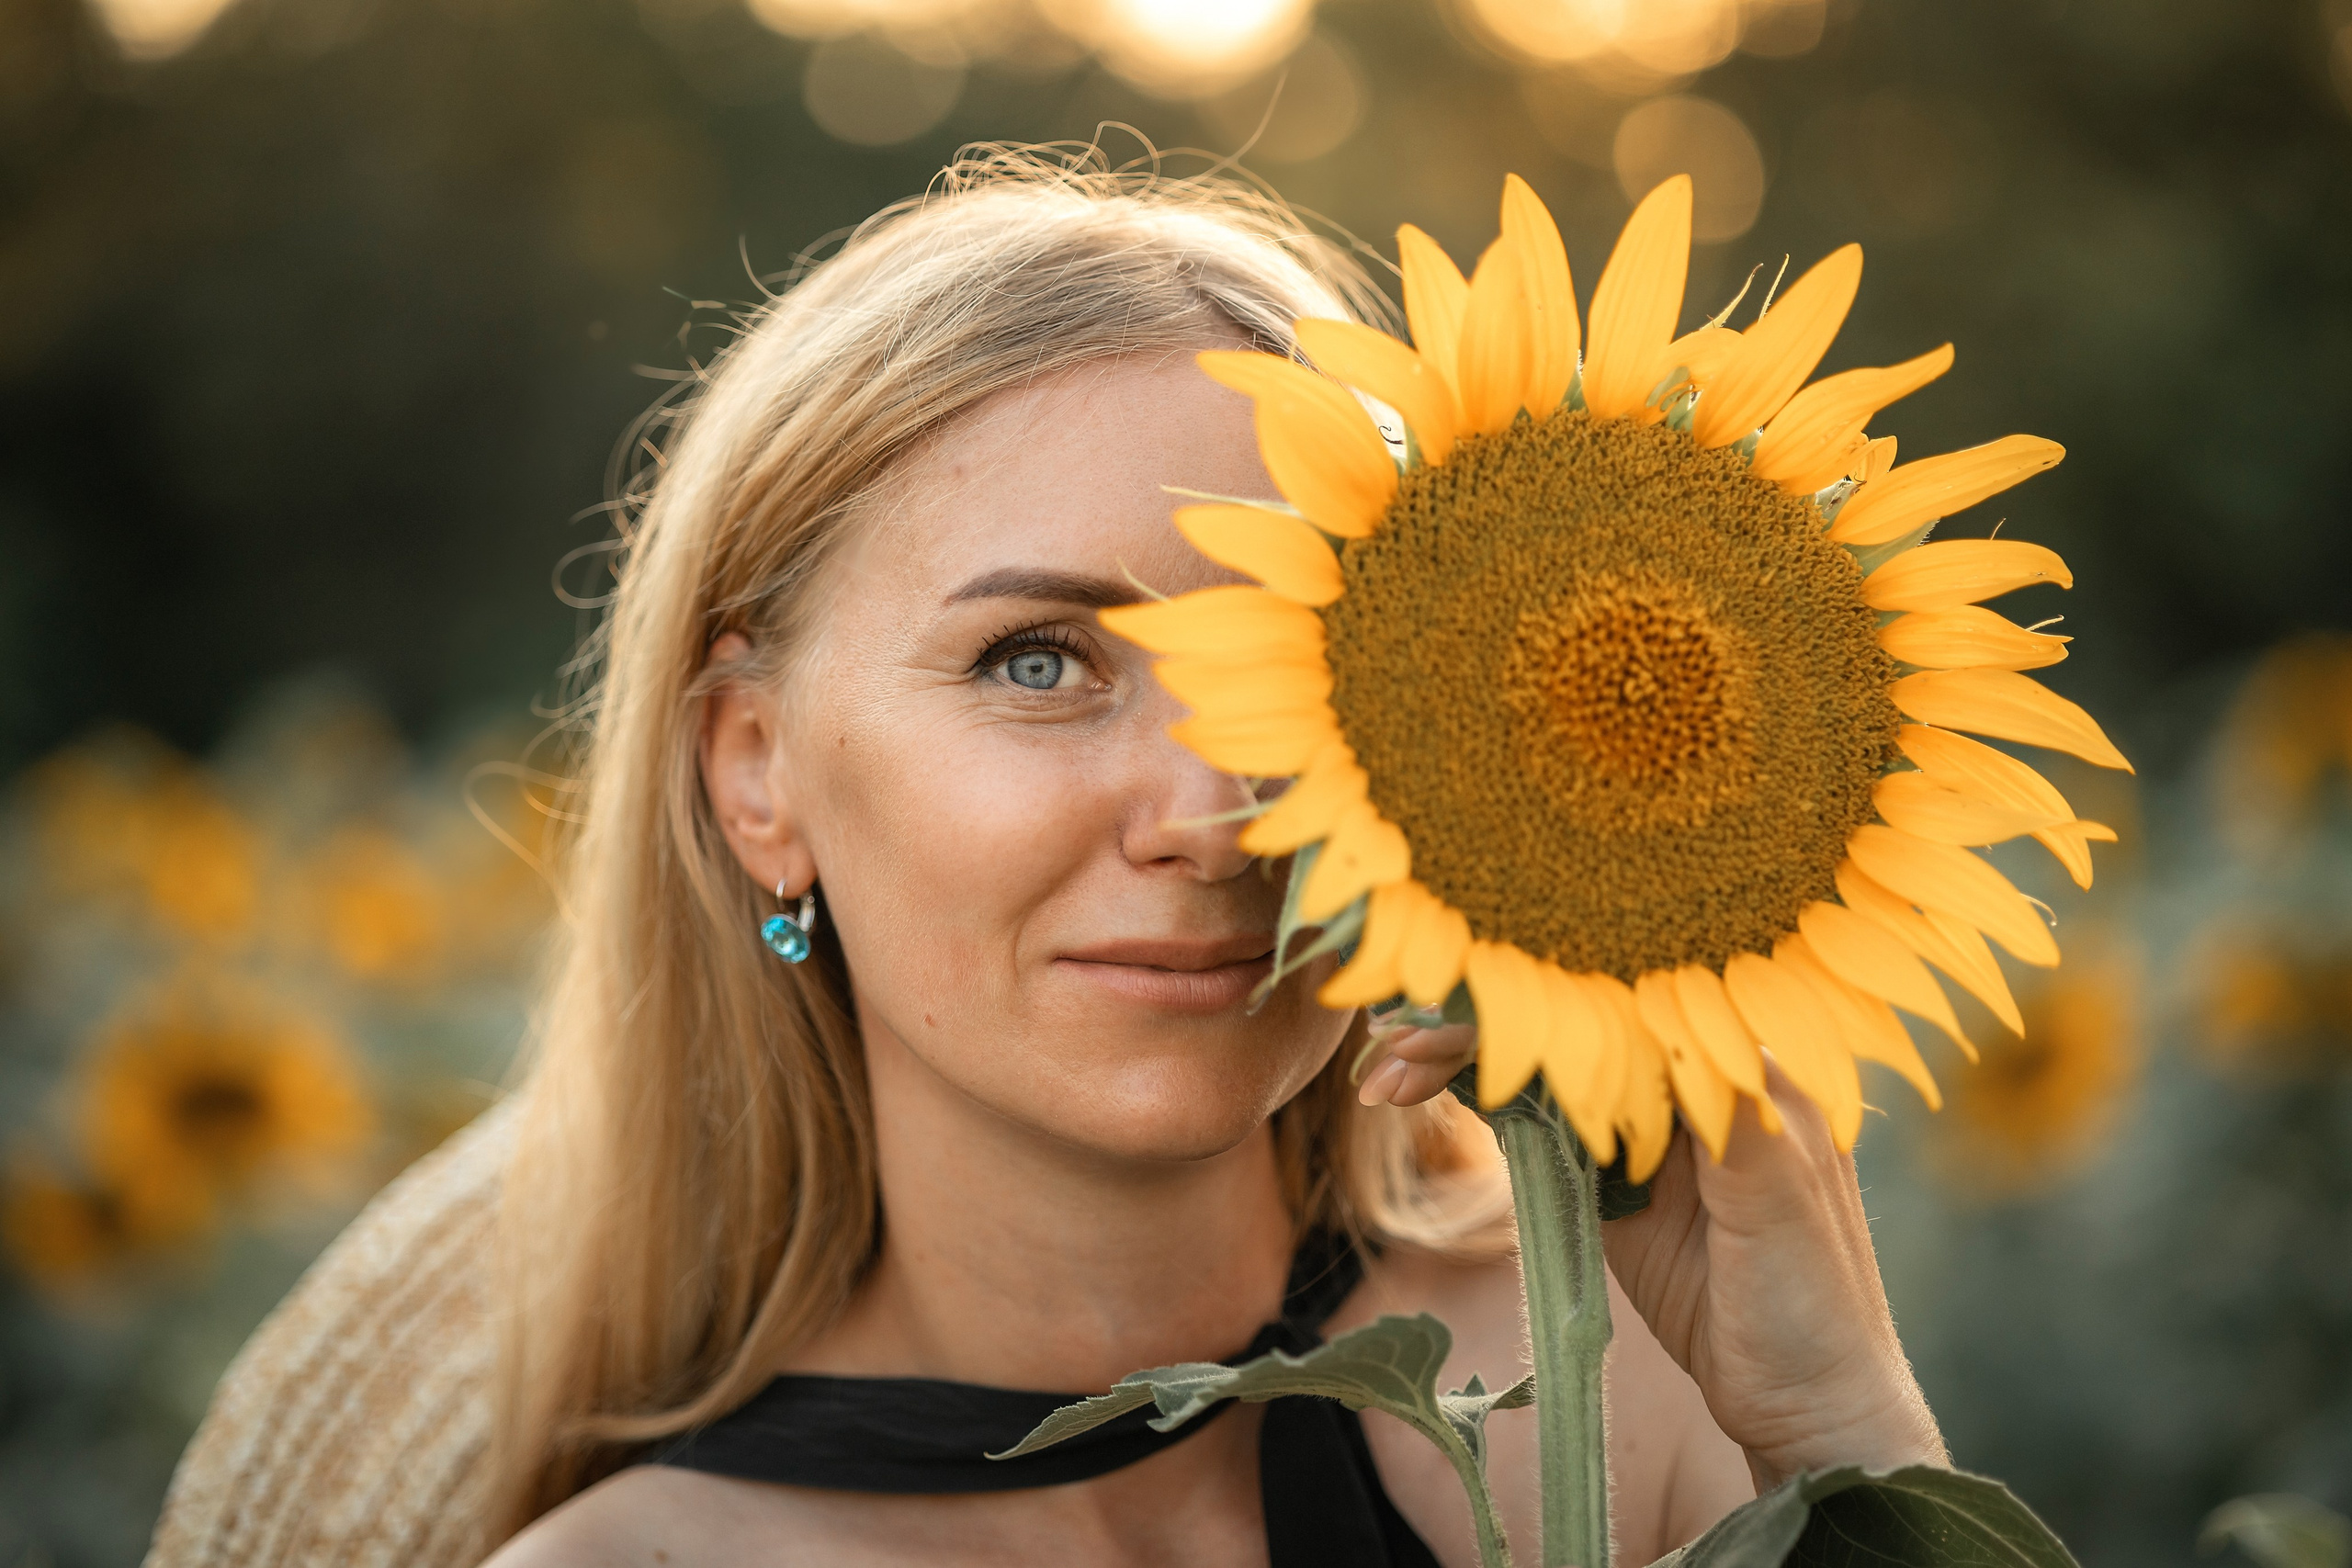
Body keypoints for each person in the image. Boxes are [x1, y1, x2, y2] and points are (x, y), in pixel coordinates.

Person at [150, 150, 1945, 1568]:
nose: (1212, 809)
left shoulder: (1618, 1404)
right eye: (1039, 662)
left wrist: (1850, 1445)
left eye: (1297, 658)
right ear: (753, 766)